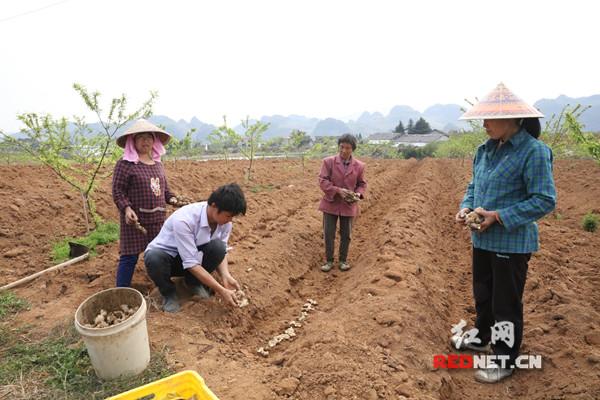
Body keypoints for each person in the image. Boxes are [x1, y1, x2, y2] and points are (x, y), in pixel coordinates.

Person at [454, 83, 556, 383]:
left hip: (511, 243)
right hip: (482, 238)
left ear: (512, 120)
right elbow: (475, 187)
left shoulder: (534, 152)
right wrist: (466, 207)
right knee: (483, 294)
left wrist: (498, 216)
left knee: (505, 304)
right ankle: (482, 335)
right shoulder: (484, 150)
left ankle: (504, 357)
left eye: (489, 119)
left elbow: (544, 199)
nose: (483, 125)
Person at [144, 183, 246, 313]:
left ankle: (193, 282)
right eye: (228, 215)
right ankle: (169, 294)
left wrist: (225, 275)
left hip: (191, 256)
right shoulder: (185, 220)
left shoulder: (225, 222)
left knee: (218, 247)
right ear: (214, 206)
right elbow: (191, 263)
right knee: (154, 258)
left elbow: (222, 251)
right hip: (169, 260)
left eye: (233, 216)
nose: (230, 220)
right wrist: (221, 290)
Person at [112, 119, 177, 287]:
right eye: (141, 137)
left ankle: (163, 286)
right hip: (134, 221)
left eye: (149, 137)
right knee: (129, 257)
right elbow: (118, 191)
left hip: (157, 220)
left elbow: (164, 190)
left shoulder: (158, 165)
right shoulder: (125, 165)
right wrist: (126, 209)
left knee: (159, 254)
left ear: (154, 140)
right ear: (132, 141)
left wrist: (173, 199)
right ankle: (121, 291)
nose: (145, 141)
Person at [318, 133, 367, 272]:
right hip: (331, 202)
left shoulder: (359, 166)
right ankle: (328, 261)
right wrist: (338, 190)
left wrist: (358, 193)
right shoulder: (328, 162)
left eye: (348, 148)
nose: (344, 150)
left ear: (353, 149)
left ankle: (343, 260)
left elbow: (362, 184)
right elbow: (323, 180)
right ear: (339, 147)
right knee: (329, 233)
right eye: (342, 147)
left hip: (349, 205)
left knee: (346, 234)